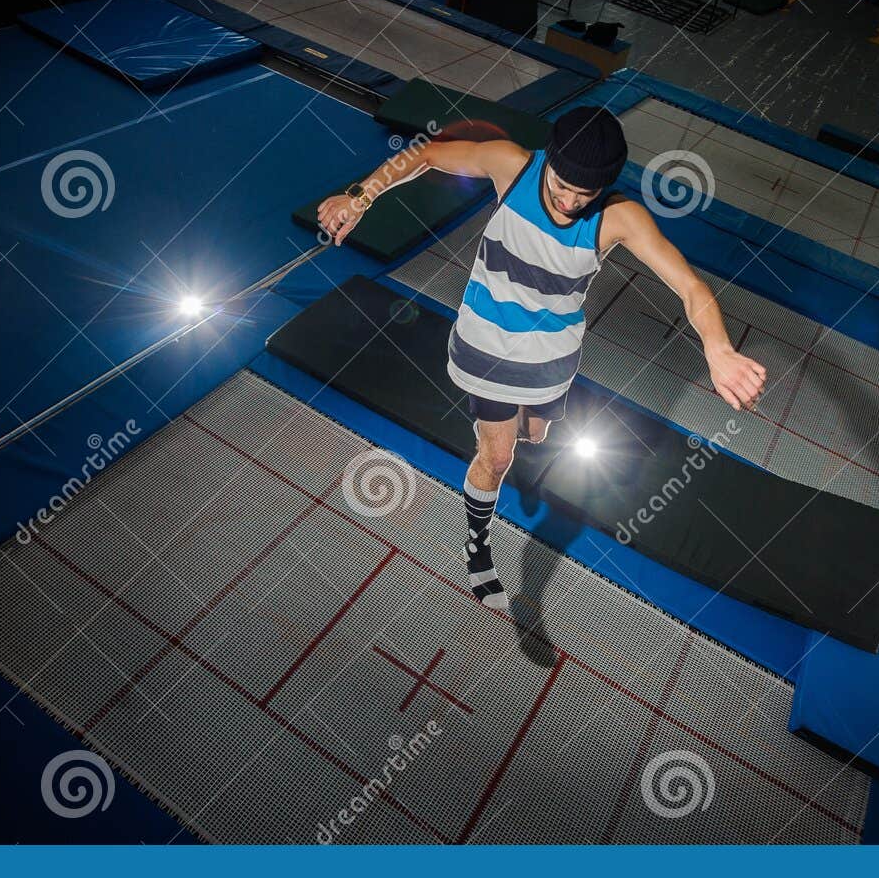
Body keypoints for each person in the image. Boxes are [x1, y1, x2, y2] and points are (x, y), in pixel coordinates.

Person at [318, 107, 766, 611]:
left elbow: (690, 287)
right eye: (561, 185)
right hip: (487, 348)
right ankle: (476, 545)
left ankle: (522, 433)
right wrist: (361, 196)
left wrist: (718, 347)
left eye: (584, 194)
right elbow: (425, 155)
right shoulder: (511, 165)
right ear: (547, 161)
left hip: (552, 359)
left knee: (536, 435)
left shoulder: (619, 218)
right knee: (499, 456)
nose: (569, 201)